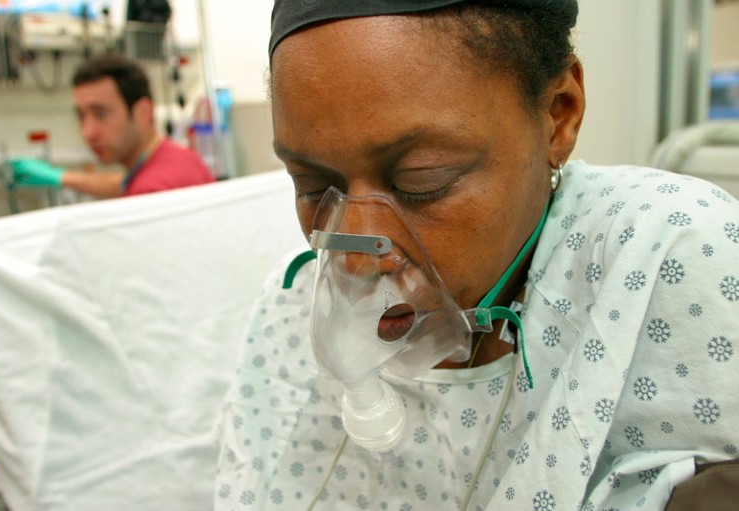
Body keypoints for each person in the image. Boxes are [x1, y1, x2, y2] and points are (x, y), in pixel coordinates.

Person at [214, 1, 739, 510]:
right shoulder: (290, 308)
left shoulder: (659, 258)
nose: (355, 259)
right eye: (312, 185)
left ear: (559, 115)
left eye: (421, 181)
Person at [9, 54, 214, 198]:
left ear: (142, 112)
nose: (88, 132)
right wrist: (60, 177)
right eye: (81, 116)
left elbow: (138, 187)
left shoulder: (148, 194)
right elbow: (122, 183)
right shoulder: (178, 157)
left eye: (101, 113)